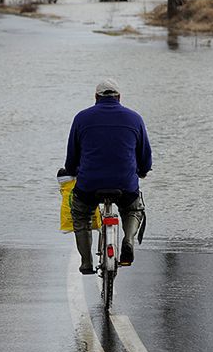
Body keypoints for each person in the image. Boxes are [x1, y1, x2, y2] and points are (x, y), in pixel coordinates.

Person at [63, 79, 152, 274]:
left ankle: (86, 262)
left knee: (81, 214)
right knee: (133, 209)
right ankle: (128, 239)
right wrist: (143, 170)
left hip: (89, 185)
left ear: (96, 97)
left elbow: (72, 157)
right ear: (119, 97)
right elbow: (145, 156)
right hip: (124, 184)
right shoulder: (134, 118)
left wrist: (71, 171)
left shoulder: (81, 118)